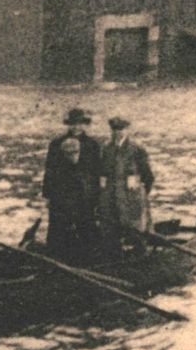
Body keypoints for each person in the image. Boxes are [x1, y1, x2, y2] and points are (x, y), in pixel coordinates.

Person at [44, 107, 102, 236]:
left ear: (84, 125)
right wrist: (48, 195)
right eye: (73, 124)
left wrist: (97, 197)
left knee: (85, 227)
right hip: (61, 194)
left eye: (79, 123)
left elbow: (96, 173)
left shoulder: (92, 145)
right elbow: (49, 170)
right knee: (59, 227)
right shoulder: (56, 144)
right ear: (69, 125)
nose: (76, 127)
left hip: (84, 194)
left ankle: (86, 254)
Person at [42, 136, 100, 259]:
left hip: (83, 208)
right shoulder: (59, 171)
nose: (73, 156)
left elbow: (92, 188)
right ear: (64, 154)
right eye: (69, 154)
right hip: (64, 210)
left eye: (75, 153)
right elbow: (54, 189)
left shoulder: (85, 168)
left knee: (88, 233)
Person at [99, 117, 154, 247]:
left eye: (121, 129)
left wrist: (141, 194)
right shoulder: (107, 148)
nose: (118, 133)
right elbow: (103, 172)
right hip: (112, 196)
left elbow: (148, 176)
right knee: (111, 227)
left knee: (135, 227)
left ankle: (139, 253)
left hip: (131, 197)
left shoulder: (136, 149)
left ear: (127, 130)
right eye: (115, 130)